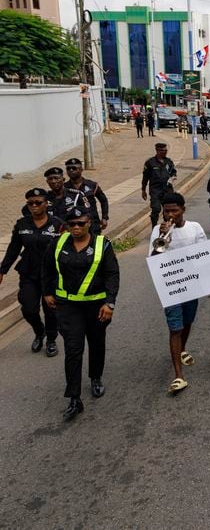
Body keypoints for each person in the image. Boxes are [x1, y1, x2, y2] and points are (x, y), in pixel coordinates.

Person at [42, 207, 120, 422]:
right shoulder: (58, 244)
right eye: (72, 224)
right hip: (68, 307)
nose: (76, 227)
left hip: (96, 307)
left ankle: (95, 377)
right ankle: (74, 398)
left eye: (81, 223)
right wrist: (47, 292)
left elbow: (112, 273)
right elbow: (47, 268)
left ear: (89, 224)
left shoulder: (102, 245)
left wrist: (110, 303)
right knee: (73, 350)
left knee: (96, 344)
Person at [149, 192, 207, 394]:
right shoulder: (158, 230)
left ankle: (182, 349)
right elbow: (154, 259)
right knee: (175, 327)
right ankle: (179, 375)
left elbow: (205, 256)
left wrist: (209, 283)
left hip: (192, 285)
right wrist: (162, 237)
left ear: (183, 209)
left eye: (174, 210)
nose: (170, 215)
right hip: (171, 287)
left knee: (188, 321)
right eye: (166, 211)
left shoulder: (195, 228)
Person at [1, 188, 63, 357]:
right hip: (29, 273)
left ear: (46, 204)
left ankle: (51, 340)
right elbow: (13, 249)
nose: (34, 206)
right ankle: (39, 331)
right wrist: (2, 270)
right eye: (30, 203)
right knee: (28, 308)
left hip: (51, 274)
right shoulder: (22, 224)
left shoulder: (57, 224)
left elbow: (66, 250)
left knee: (50, 309)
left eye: (38, 202)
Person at [64, 158, 109, 235]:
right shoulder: (64, 188)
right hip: (74, 226)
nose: (71, 170)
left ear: (81, 169)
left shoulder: (92, 185)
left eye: (74, 168)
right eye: (68, 168)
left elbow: (103, 200)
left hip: (92, 224)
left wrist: (104, 217)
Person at [142, 143, 177, 228]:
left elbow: (174, 172)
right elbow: (145, 177)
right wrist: (143, 190)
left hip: (167, 190)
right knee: (156, 209)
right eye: (163, 150)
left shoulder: (169, 161)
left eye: (166, 150)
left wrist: (173, 177)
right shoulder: (150, 162)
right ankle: (154, 227)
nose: (165, 152)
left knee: (167, 210)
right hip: (155, 190)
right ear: (157, 151)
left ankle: (166, 226)